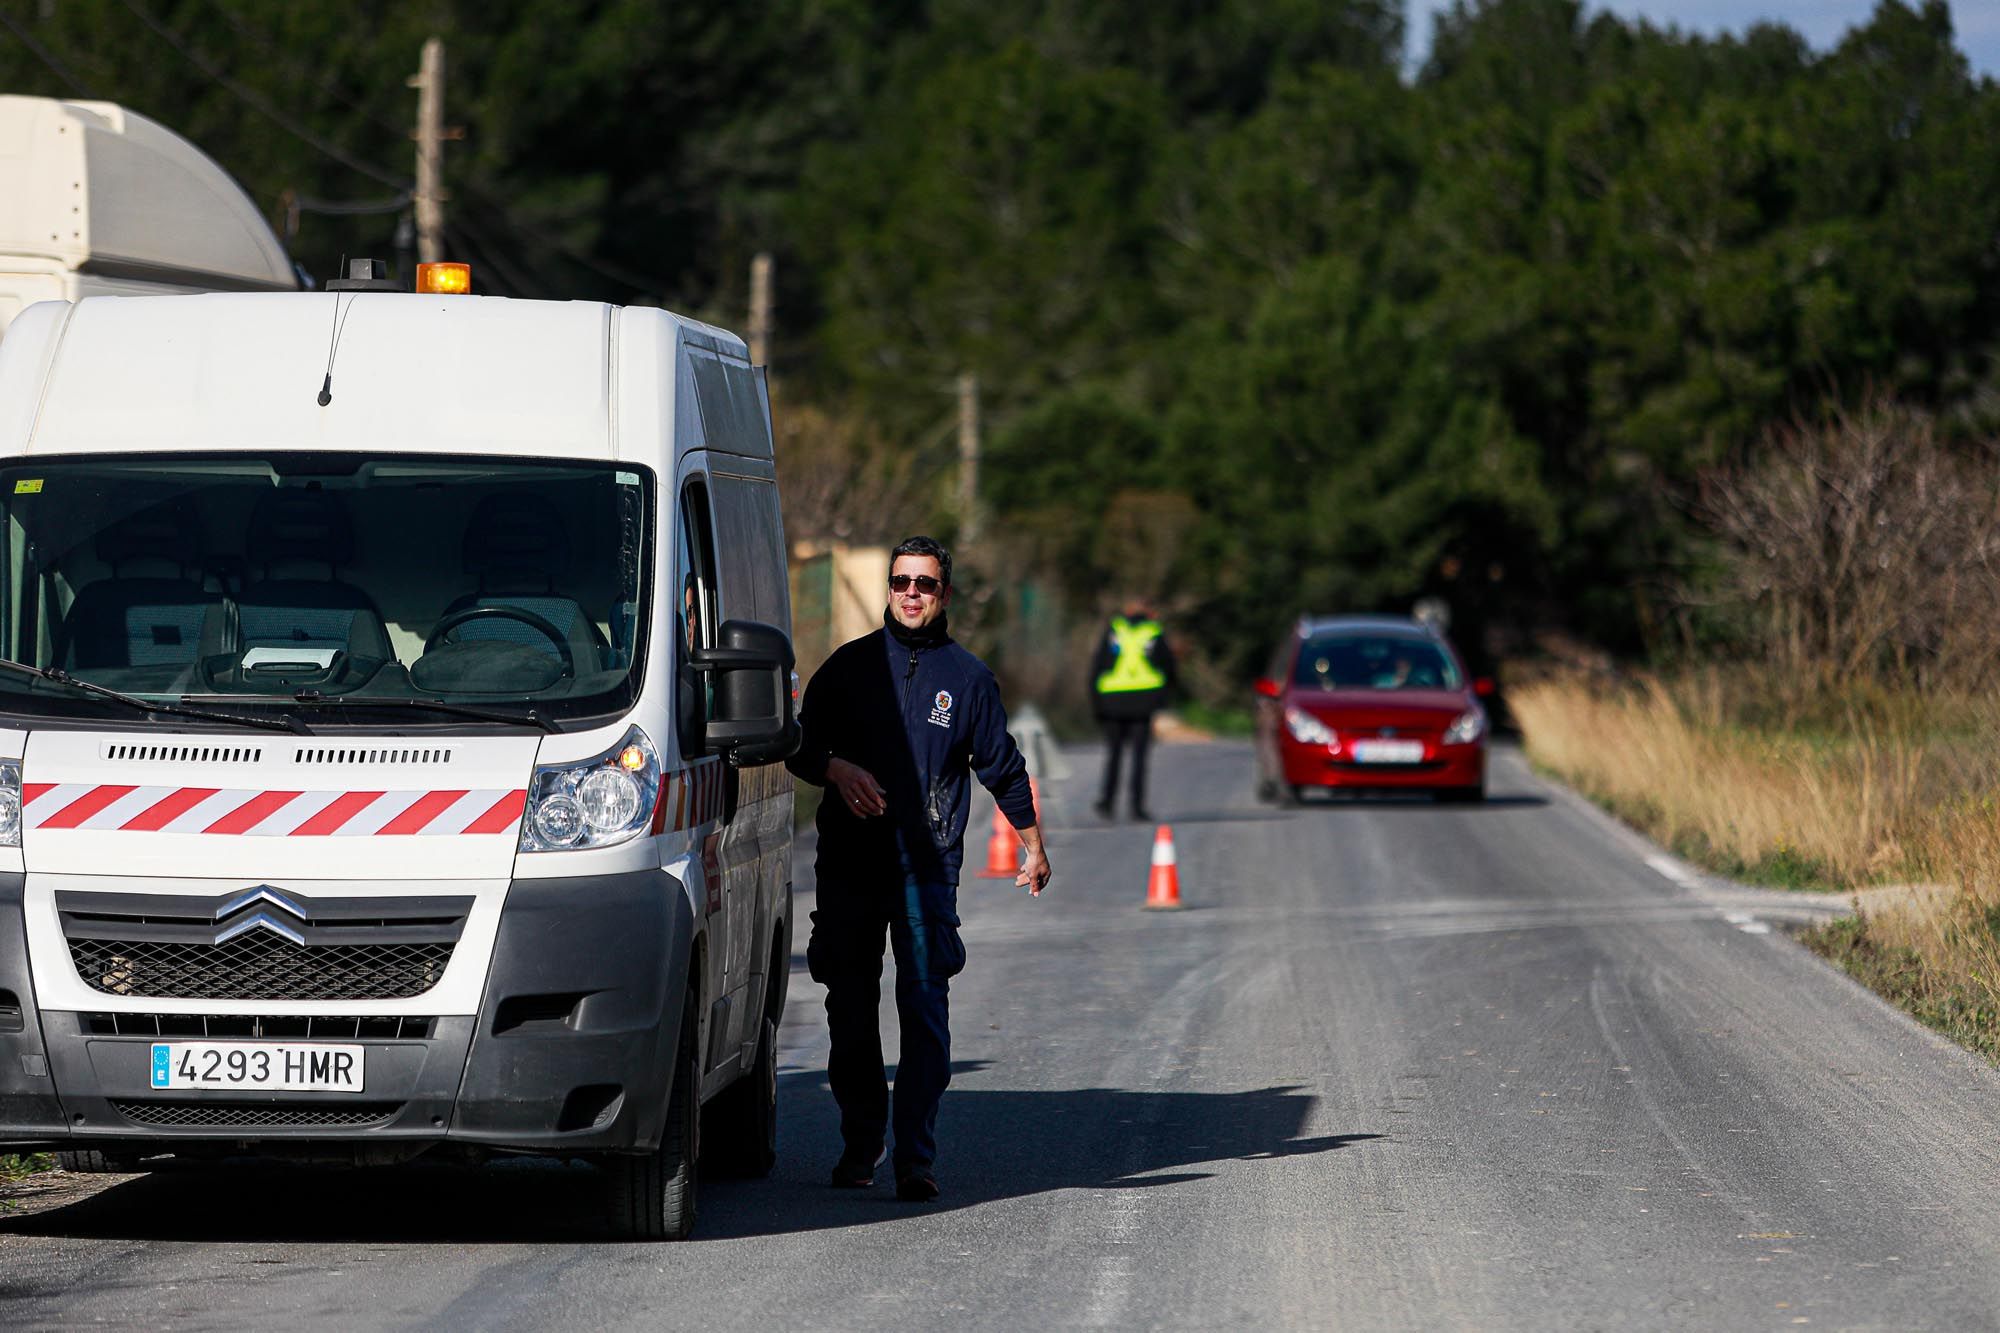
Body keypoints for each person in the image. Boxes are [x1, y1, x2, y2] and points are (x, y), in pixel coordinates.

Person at [787, 535, 1052, 1202]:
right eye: (902, 581)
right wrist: (835, 768)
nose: (912, 593)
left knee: (924, 1010)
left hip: (925, 870)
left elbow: (1004, 767)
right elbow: (797, 744)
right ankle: (861, 1140)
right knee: (849, 1008)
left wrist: (1032, 844)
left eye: (925, 584)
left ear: (944, 595)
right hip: (849, 867)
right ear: (889, 588)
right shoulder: (846, 669)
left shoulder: (967, 679)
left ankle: (915, 1155)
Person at [1090, 596, 1177, 821]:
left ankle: (1107, 803)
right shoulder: (1152, 632)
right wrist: (1163, 699)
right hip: (1143, 703)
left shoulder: (1114, 630)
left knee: (1114, 755)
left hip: (1112, 701)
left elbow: (1097, 666)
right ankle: (1136, 807)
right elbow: (1168, 666)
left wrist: (1096, 704)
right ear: (1149, 611)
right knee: (1139, 757)